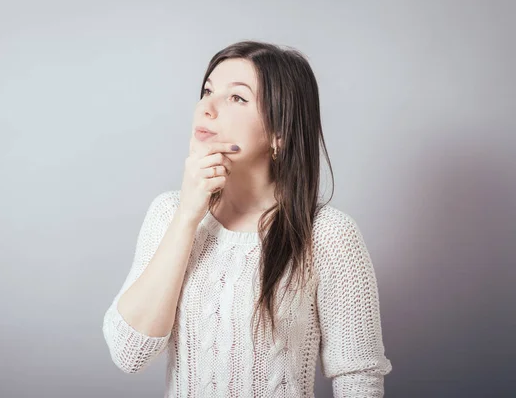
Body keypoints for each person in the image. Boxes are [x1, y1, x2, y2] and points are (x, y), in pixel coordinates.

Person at [102, 40, 392, 397]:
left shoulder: (329, 235)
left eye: (236, 98)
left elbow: (358, 375)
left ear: (278, 134)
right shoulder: (168, 214)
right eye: (207, 90)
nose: (207, 107)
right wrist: (188, 215)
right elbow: (129, 354)